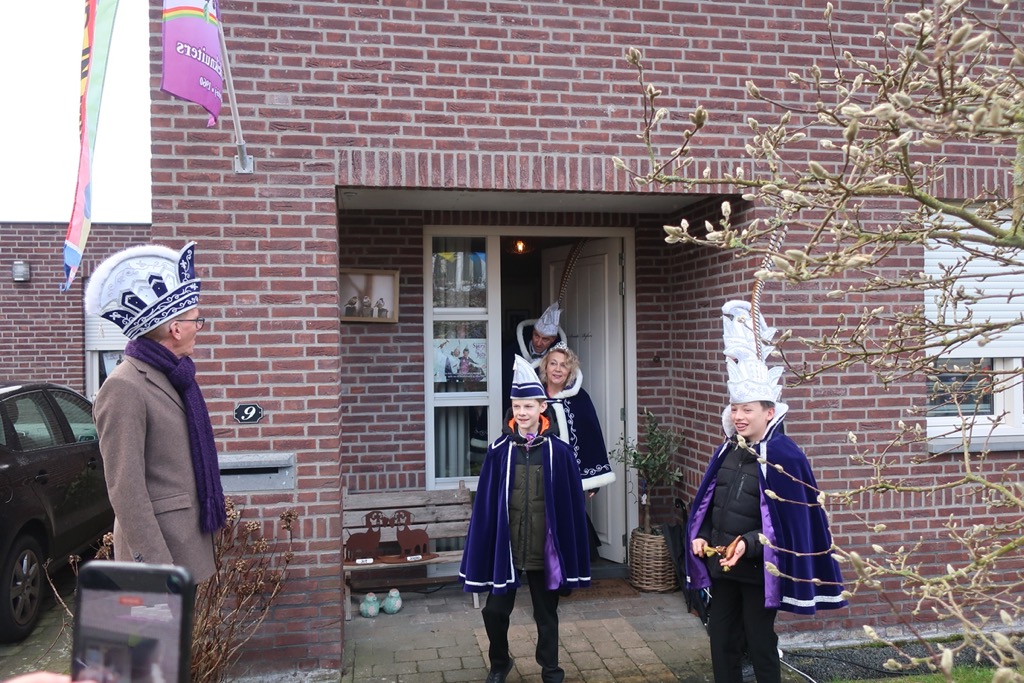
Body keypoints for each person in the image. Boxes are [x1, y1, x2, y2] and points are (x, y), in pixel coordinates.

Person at [686, 300, 847, 683]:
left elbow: (788, 523)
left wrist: (749, 543)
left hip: (759, 570)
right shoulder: (727, 450)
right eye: (735, 409)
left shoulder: (784, 457)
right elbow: (711, 504)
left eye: (748, 410)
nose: (739, 416)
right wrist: (702, 535)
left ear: (769, 412)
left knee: (759, 642)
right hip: (723, 566)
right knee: (721, 638)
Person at [85, 242, 225, 583]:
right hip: (160, 560)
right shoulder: (124, 386)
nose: (199, 327)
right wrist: (157, 568)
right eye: (196, 320)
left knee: (187, 623)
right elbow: (125, 489)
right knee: (157, 625)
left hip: (185, 545)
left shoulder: (175, 377)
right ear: (175, 329)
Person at [460, 355, 591, 683]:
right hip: (508, 548)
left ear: (542, 408)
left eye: (528, 406)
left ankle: (551, 670)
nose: (521, 412)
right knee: (494, 611)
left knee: (546, 615)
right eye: (517, 406)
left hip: (543, 551)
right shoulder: (499, 451)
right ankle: (499, 663)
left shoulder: (559, 452)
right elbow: (486, 505)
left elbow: (571, 507)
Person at [538, 342, 616, 491]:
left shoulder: (580, 399)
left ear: (570, 371)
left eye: (564, 365)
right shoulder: (534, 396)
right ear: (545, 367)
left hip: (570, 477)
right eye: (553, 363)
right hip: (538, 477)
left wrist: (593, 481)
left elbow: (591, 437)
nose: (558, 369)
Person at [501, 301, 564, 412]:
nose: (538, 343)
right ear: (532, 332)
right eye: (536, 336)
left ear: (553, 339)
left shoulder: (559, 358)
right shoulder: (511, 353)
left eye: (545, 339)